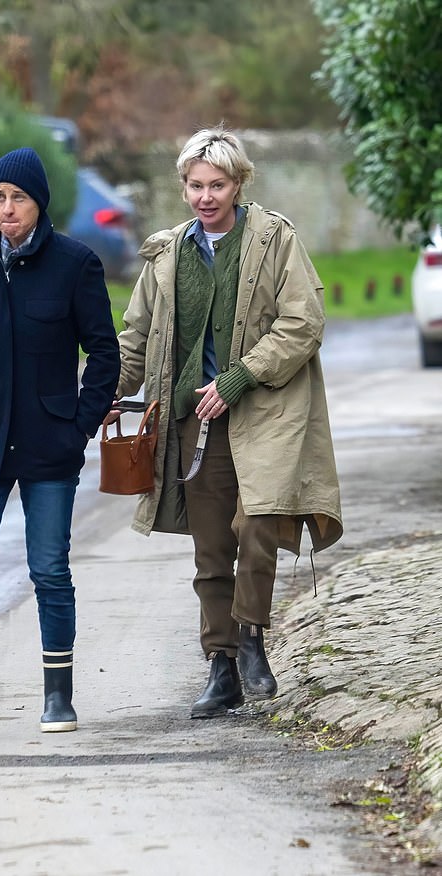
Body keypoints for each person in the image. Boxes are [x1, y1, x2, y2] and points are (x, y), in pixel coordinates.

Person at [110, 126, 343, 718]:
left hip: (266, 410)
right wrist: (102, 398)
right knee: (211, 549)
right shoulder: (165, 258)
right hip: (194, 422)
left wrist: (240, 375)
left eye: (217, 184)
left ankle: (251, 638)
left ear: (240, 183)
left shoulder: (274, 240)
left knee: (260, 521)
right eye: (195, 186)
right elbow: (136, 339)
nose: (206, 196)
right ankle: (221, 668)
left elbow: (303, 321)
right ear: (183, 187)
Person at [0, 147, 120, 738]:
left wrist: (79, 425)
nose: (6, 209)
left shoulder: (76, 264)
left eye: (17, 198)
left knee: (49, 569)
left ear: (38, 203)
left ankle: (58, 698)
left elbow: (104, 354)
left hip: (48, 444)